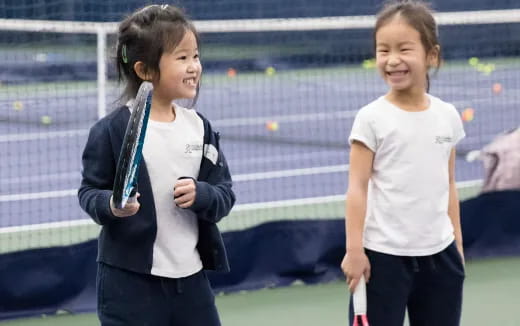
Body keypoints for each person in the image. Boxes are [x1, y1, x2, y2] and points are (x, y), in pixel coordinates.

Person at [78, 4, 235, 326]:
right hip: (129, 286)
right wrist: (112, 206)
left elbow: (224, 194)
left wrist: (202, 195)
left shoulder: (200, 127)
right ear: (145, 70)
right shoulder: (111, 131)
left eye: (195, 56)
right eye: (182, 58)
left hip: (192, 284)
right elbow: (89, 191)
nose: (194, 66)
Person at [341, 1, 465, 325]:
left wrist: (458, 248)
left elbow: (449, 184)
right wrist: (354, 251)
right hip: (382, 259)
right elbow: (357, 188)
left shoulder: (448, 117)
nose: (392, 60)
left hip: (441, 258)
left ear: (431, 55)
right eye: (384, 50)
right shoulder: (370, 119)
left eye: (404, 49)